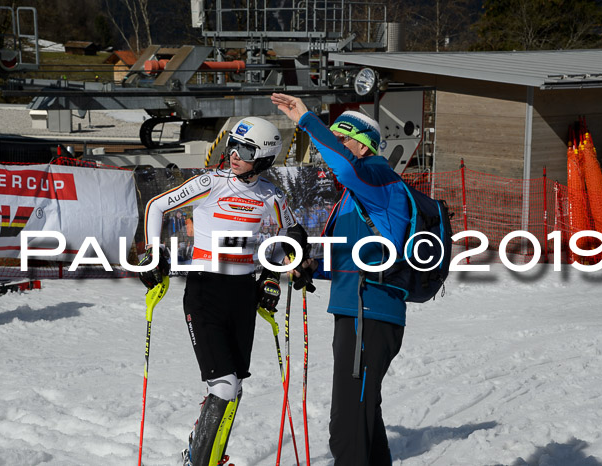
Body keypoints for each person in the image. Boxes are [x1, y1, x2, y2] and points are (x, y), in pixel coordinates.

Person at [139, 116, 308, 466]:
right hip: (206, 289)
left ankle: (208, 455)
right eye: (233, 144)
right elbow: (157, 205)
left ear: (262, 158)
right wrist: (153, 253)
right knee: (224, 385)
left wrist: (272, 275)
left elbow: (288, 235)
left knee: (235, 386)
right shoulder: (211, 182)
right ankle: (196, 462)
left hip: (242, 292)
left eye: (245, 149)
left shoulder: (270, 195)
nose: (234, 154)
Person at [272, 92, 411, 465]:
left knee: (347, 426)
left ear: (362, 146)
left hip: (371, 314)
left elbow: (345, 167)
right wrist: (310, 266)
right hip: (356, 312)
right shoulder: (355, 194)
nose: (331, 146)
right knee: (363, 420)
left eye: (341, 138)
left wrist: (308, 120)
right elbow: (349, 253)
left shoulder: (379, 178)